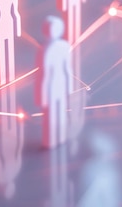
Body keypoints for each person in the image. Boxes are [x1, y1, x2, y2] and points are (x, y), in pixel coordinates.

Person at [36, 16, 72, 149]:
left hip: (55, 85)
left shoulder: (52, 49)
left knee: (57, 112)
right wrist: (69, 88)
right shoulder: (61, 47)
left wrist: (42, 97)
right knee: (55, 112)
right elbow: (66, 70)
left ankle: (56, 138)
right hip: (57, 85)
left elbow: (47, 74)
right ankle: (55, 138)